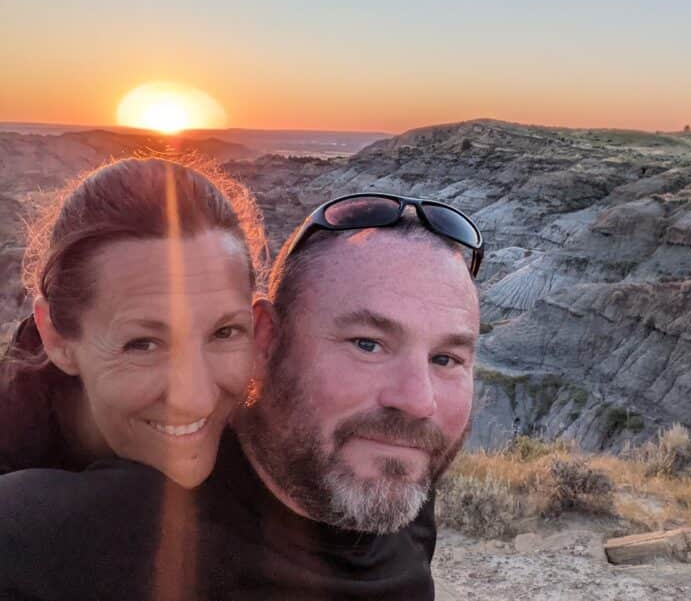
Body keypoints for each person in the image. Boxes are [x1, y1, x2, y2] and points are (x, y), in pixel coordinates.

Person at [0, 192, 483, 601]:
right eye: (367, 344)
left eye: (446, 359)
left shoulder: (396, 483)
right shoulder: (113, 532)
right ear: (265, 338)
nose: (419, 402)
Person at [0, 156, 266, 488]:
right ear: (56, 339)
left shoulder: (283, 459)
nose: (197, 400)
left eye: (224, 332)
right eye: (143, 344)